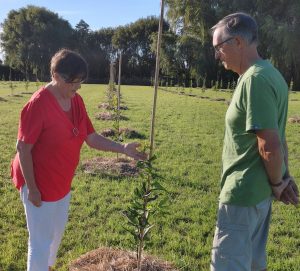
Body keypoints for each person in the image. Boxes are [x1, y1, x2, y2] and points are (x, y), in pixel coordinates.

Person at [11, 49, 146, 271]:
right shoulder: (38, 104)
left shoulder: (76, 101)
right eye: (72, 81)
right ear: (55, 75)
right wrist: (33, 190)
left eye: (80, 81)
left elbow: (90, 137)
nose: (77, 87)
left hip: (62, 183)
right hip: (39, 183)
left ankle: (47, 267)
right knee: (40, 242)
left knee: (55, 236)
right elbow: (23, 149)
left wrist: (122, 148)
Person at [209, 12, 299, 271]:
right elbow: (279, 135)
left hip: (243, 195)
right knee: (251, 264)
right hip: (258, 195)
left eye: (218, 47)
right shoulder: (270, 74)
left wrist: (278, 182)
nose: (217, 55)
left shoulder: (254, 80)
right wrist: (283, 178)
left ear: (237, 42)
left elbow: (268, 144)